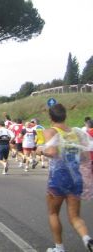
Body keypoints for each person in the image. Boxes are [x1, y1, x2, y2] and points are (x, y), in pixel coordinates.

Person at [36, 104, 93, 252]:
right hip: (76, 177)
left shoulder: (51, 131)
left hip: (59, 177)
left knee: (53, 213)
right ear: (65, 116)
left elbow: (52, 152)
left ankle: (59, 248)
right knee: (75, 217)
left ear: (50, 117)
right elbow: (85, 156)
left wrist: (41, 151)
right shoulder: (76, 132)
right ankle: (87, 238)